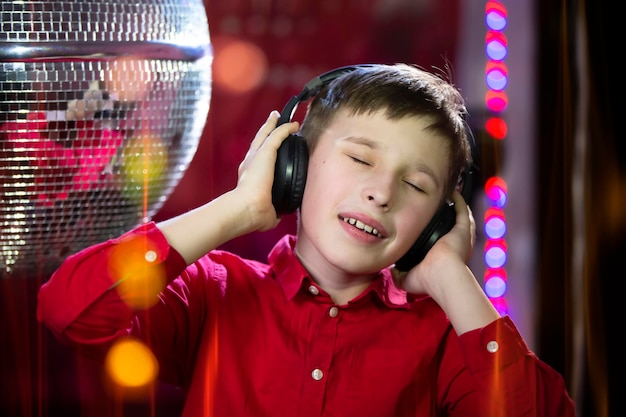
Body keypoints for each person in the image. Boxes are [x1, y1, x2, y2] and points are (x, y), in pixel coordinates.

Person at [37, 63, 577, 416]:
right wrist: (238, 208)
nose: (381, 192)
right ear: (292, 165)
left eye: (415, 185)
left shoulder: (444, 335)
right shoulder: (214, 292)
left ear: (437, 220)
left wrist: (450, 276)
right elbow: (70, 311)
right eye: (361, 158)